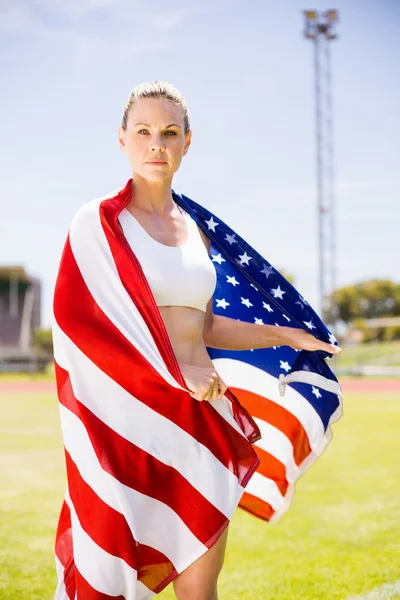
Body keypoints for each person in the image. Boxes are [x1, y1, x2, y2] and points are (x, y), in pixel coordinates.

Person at [52, 80, 342, 600]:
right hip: (129, 423)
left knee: (201, 585)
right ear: (122, 140)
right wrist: (175, 373)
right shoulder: (98, 223)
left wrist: (285, 332)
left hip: (202, 420)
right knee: (112, 574)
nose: (155, 144)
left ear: (188, 141)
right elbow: (83, 327)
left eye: (169, 132)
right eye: (142, 131)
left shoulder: (196, 229)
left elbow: (204, 326)